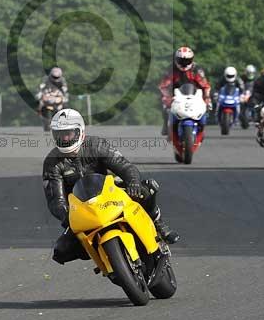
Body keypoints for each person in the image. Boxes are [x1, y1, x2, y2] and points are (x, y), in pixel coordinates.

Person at [43, 108, 178, 264]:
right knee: (61, 251)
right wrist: (66, 217)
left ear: (80, 131)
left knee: (147, 188)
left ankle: (157, 223)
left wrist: (133, 182)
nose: (65, 138)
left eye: (68, 133)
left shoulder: (97, 145)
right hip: (81, 209)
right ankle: (104, 260)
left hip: (109, 192)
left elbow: (125, 166)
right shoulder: (51, 163)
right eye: (60, 134)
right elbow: (55, 199)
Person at [158, 46, 212, 136]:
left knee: (207, 107)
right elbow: (163, 85)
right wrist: (167, 96)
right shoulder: (171, 69)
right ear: (176, 59)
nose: (184, 64)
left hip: (195, 94)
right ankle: (166, 125)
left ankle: (201, 127)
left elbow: (205, 85)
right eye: (181, 61)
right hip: (175, 93)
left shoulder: (196, 69)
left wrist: (206, 97)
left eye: (187, 61)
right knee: (165, 106)